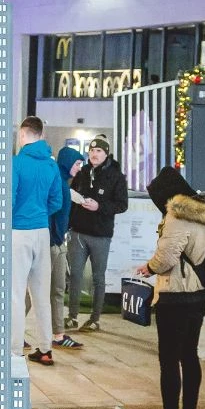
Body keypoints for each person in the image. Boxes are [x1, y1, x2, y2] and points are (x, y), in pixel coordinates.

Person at [133, 166, 205, 409]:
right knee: (189, 355)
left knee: (169, 360)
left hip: (175, 294)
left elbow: (167, 256)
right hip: (197, 293)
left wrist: (149, 267)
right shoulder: (201, 211)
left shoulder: (177, 215)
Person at [12, 115, 64, 366]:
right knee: (41, 293)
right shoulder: (52, 166)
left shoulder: (17, 163)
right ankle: (45, 349)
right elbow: (57, 201)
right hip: (42, 232)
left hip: (18, 232)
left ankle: (12, 350)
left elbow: (8, 201)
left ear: (23, 135)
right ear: (41, 135)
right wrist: (39, 213)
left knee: (14, 294)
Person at [66, 135, 128, 332]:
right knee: (74, 275)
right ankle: (72, 316)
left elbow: (122, 205)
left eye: (99, 151)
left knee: (98, 278)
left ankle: (94, 319)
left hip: (100, 234)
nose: (94, 154)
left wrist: (99, 206)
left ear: (106, 154)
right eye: (92, 151)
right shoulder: (82, 173)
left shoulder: (116, 176)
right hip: (78, 232)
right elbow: (72, 196)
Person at [50, 145, 86, 350]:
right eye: (77, 163)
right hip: (52, 243)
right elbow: (53, 211)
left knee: (54, 289)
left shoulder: (62, 182)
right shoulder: (58, 183)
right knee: (44, 291)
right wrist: (55, 238)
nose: (79, 168)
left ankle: (58, 334)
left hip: (55, 241)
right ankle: (12, 332)